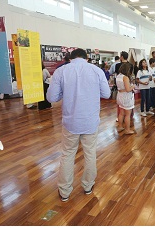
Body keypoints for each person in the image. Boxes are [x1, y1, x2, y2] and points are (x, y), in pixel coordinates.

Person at [46, 48, 110, 202]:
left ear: (70, 58)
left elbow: (51, 97)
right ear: (87, 58)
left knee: (67, 154)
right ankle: (88, 186)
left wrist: (64, 93)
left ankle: (65, 191)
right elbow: (107, 94)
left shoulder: (61, 71)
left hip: (70, 122)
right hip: (90, 121)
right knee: (90, 153)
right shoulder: (97, 70)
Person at [116, 62, 135, 134]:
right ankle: (127, 129)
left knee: (121, 113)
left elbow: (121, 88)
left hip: (120, 96)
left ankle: (120, 127)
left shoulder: (118, 76)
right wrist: (133, 86)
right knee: (127, 114)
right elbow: (128, 89)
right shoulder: (125, 77)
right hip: (126, 97)